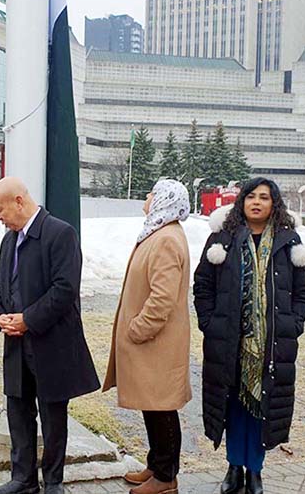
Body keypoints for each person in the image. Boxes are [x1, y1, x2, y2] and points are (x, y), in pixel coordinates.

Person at [193, 177, 305, 494]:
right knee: (232, 406)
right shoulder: (223, 238)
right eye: (251, 196)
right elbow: (202, 286)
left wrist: (293, 324)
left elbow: (303, 292)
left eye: (264, 197)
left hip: (272, 345)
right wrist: (210, 323)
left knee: (262, 405)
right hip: (229, 343)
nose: (257, 202)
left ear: (274, 203)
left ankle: (255, 470)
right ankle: (234, 467)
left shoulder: (289, 241)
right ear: (242, 201)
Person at [0, 177, 100, 494]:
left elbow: (65, 290)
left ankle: (53, 481)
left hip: (51, 342)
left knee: (53, 417)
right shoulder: (9, 239)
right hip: (16, 343)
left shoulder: (60, 233)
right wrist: (0, 316)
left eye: (0, 209)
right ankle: (23, 479)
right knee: (18, 411)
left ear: (19, 201)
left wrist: (28, 320)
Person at [102, 179, 192, 494]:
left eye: (152, 193)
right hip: (153, 346)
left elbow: (162, 298)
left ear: (164, 200)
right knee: (153, 406)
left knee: (161, 408)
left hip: (156, 344)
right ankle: (156, 466)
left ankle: (166, 478)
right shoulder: (160, 233)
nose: (147, 197)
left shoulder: (166, 238)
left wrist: (138, 328)